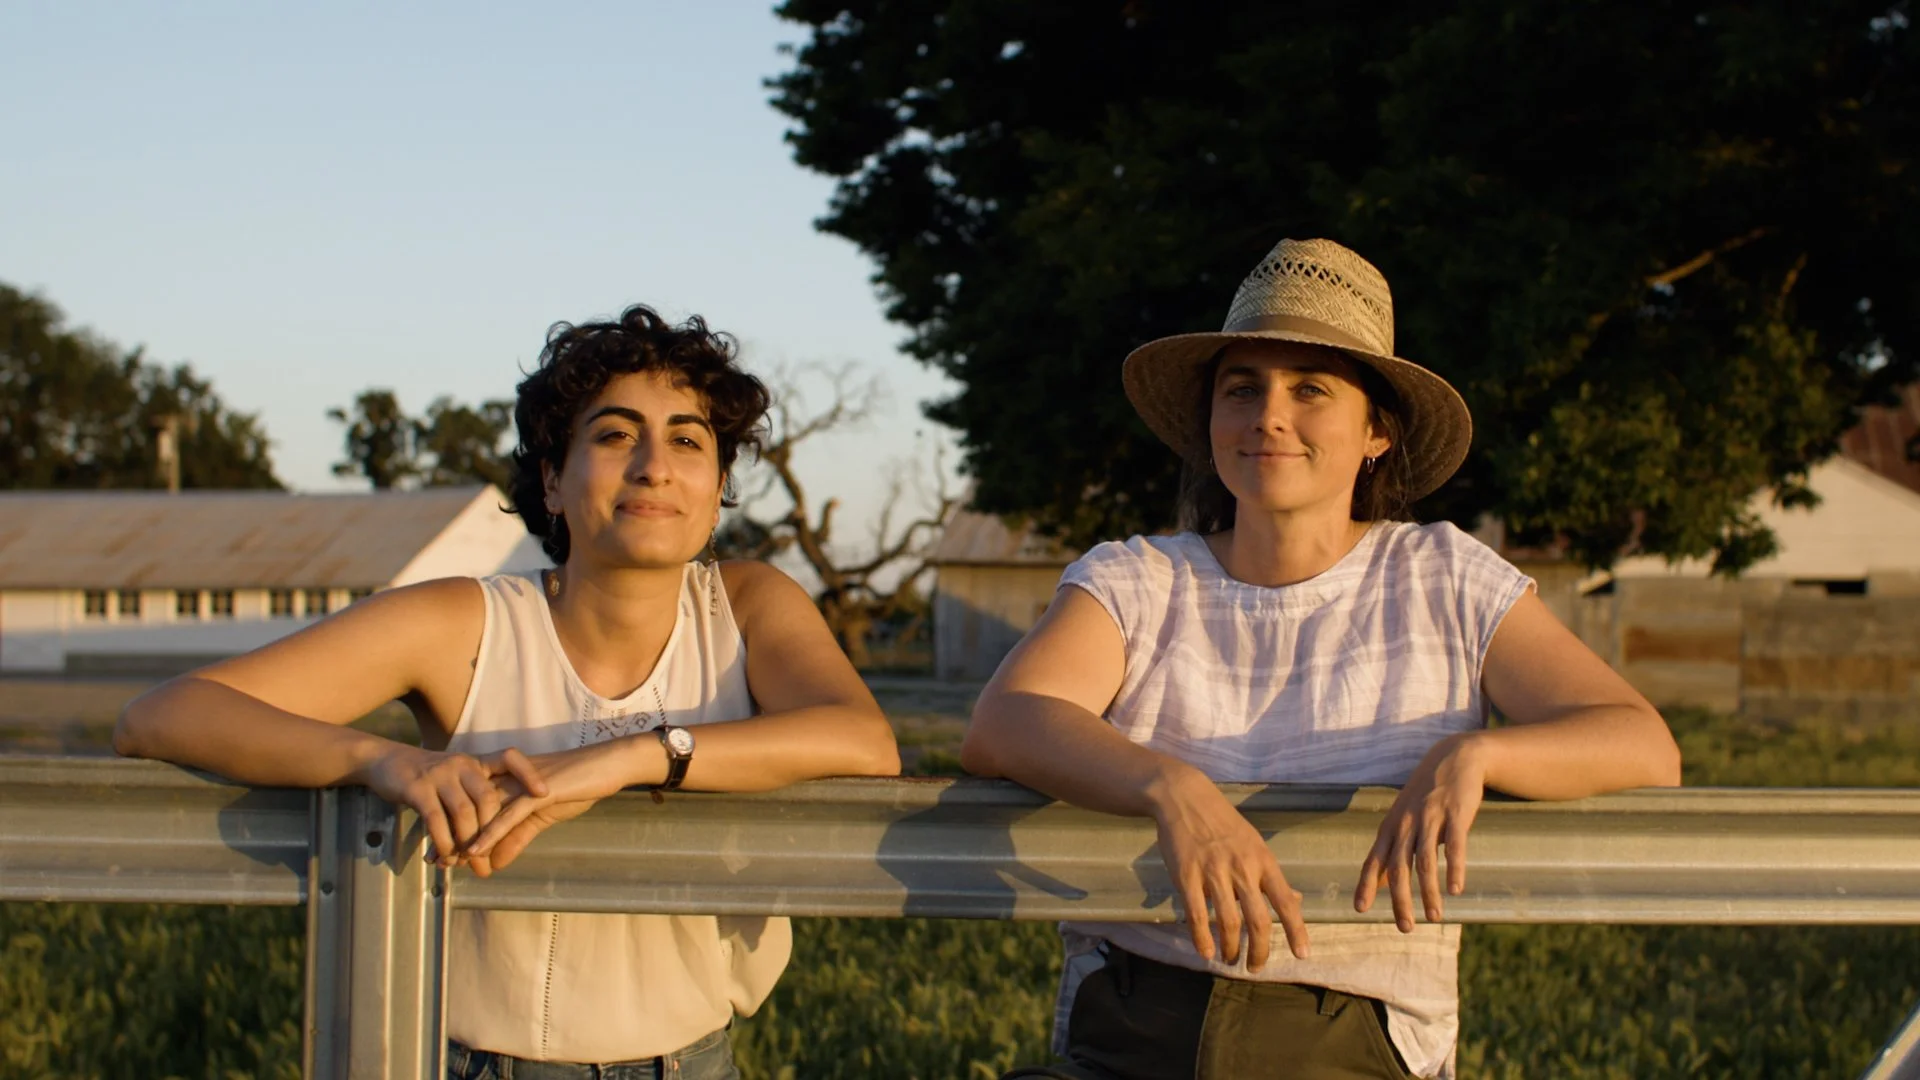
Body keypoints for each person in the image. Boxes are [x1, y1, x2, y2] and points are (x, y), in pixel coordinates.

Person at [113, 304, 901, 1080]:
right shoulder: (462, 620)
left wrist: (630, 758)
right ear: (553, 481)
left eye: (687, 440)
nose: (654, 464)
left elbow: (864, 743)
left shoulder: (752, 603)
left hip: (695, 1062)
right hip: (469, 1063)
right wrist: (378, 761)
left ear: (719, 486)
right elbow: (162, 716)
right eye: (615, 433)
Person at [962, 239, 1682, 1080]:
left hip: (1362, 1032)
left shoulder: (1445, 576)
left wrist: (1478, 751)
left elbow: (1642, 743)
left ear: (1376, 430)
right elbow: (1007, 721)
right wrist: (1172, 789)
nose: (1269, 414)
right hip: (1134, 1021)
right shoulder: (1138, 579)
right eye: (1242, 389)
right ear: (1211, 424)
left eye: (1309, 388)